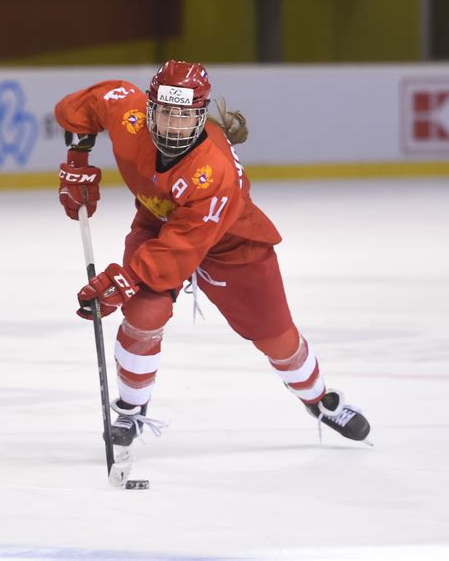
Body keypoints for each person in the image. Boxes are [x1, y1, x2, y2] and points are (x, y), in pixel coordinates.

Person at [55, 60, 371, 454]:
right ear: (148, 108)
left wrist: (122, 280)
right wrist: (77, 161)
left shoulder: (213, 171)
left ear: (200, 116)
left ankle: (319, 399)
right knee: (143, 315)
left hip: (232, 244)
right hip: (161, 222)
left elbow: (181, 249)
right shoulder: (129, 116)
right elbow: (84, 105)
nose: (172, 125)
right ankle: (132, 409)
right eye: (165, 112)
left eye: (184, 117)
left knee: (279, 340)